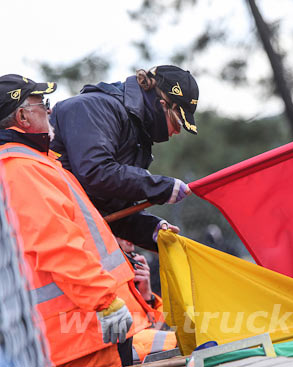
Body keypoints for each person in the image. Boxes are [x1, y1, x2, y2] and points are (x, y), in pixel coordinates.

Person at [0, 74, 158, 367]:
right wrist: (105, 301)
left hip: (83, 332)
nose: (49, 110)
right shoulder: (20, 169)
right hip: (79, 336)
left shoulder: (32, 164)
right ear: (22, 116)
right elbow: (56, 244)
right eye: (41, 103)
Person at [50, 65, 199, 251]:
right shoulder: (94, 107)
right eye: (178, 123)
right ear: (163, 106)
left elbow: (110, 208)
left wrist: (151, 229)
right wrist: (160, 186)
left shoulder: (137, 131)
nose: (177, 132)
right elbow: (96, 173)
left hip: (72, 239)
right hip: (48, 236)